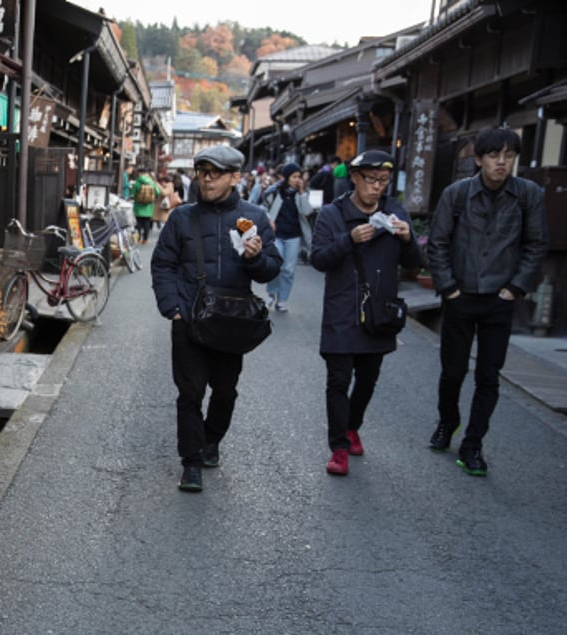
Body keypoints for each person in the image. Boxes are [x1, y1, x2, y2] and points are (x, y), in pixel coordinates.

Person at [151, 145, 282, 492]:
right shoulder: (182, 217)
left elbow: (272, 269)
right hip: (189, 319)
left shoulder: (253, 216)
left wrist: (255, 259)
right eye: (202, 172)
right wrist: (173, 309)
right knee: (190, 393)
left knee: (225, 392)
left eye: (216, 173)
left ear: (235, 177)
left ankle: (211, 441)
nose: (207, 179)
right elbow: (162, 264)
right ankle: (191, 462)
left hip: (231, 321)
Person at [425, 127, 549, 476]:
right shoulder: (458, 194)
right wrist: (449, 288)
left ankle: (473, 444)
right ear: (478, 159)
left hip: (500, 297)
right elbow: (437, 243)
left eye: (509, 155)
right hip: (460, 295)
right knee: (452, 371)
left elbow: (537, 244)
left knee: (488, 375)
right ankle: (448, 422)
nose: (501, 162)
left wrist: (516, 287)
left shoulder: (527, 195)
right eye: (494, 155)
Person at [310, 150, 420, 476]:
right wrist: (349, 239)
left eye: (383, 181)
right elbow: (318, 259)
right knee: (338, 380)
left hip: (379, 312)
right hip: (342, 310)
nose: (376, 187)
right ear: (354, 178)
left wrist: (407, 237)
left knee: (368, 379)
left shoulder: (395, 212)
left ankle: (352, 426)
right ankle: (339, 448)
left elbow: (413, 262)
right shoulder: (332, 214)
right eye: (370, 179)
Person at [260, 162, 314, 312]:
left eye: (299, 176)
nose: (297, 179)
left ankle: (282, 300)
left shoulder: (302, 193)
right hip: (276, 234)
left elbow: (307, 212)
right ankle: (271, 293)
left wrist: (302, 192)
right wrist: (269, 219)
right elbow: (263, 208)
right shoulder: (274, 192)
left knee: (288, 270)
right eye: (294, 176)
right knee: (276, 265)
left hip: (294, 236)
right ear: (286, 177)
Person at [131, 166, 161, 244]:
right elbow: (158, 192)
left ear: (139, 173)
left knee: (138, 223)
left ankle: (138, 239)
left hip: (138, 206)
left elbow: (133, 193)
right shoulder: (152, 182)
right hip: (149, 207)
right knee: (146, 223)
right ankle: (145, 239)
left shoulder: (137, 182)